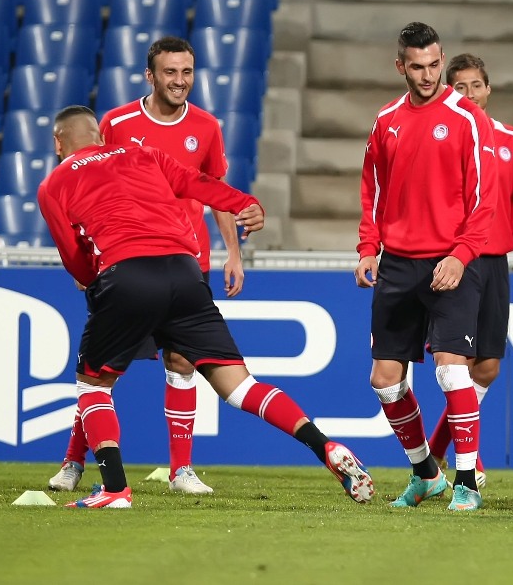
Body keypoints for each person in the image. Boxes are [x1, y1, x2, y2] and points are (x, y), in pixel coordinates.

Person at [38, 105, 373, 508]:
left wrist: (96, 281)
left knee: (93, 384)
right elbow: (198, 182)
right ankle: (325, 447)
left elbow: (74, 257)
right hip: (185, 272)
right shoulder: (142, 154)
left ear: (58, 142)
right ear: (99, 135)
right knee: (240, 386)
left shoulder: (54, 184)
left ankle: (113, 489)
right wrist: (245, 203)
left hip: (126, 275)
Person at [48, 36, 240, 495]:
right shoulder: (116, 122)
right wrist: (89, 261)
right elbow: (89, 184)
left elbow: (213, 189)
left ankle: (181, 470)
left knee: (182, 360)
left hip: (187, 256)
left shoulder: (207, 127)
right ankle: (74, 462)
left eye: (187, 72)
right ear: (150, 76)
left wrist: (233, 251)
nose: (180, 81)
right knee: (103, 370)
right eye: (170, 73)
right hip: (126, 260)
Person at [355, 23, 497, 512]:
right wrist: (367, 247)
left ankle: (467, 483)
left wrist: (460, 256)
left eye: (435, 64)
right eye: (417, 66)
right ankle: (425, 474)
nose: (428, 74)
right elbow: (372, 188)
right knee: (384, 380)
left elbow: (485, 201)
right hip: (396, 262)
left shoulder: (467, 118)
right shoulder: (386, 120)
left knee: (452, 373)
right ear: (401, 66)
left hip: (452, 261)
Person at [426, 53, 513, 487]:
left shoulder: (510, 141)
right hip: (457, 260)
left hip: (495, 262)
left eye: (476, 86)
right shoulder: (441, 137)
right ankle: (465, 461)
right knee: (459, 361)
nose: (470, 94)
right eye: (460, 87)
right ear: (448, 91)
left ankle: (436, 454)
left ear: (488, 90)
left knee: (489, 367)